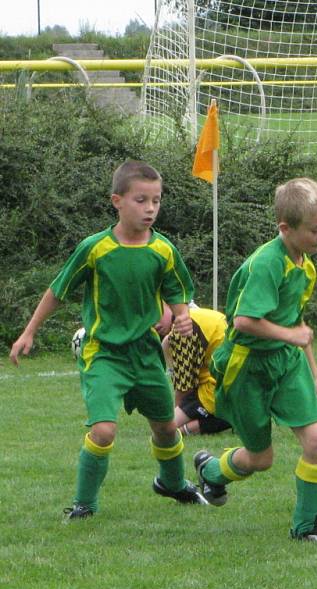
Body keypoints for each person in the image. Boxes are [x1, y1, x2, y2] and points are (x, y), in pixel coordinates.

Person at [9, 160, 207, 519]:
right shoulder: (95, 248)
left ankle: (173, 484)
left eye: (156, 201)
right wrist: (29, 331)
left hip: (146, 354)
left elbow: (177, 288)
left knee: (165, 427)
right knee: (103, 431)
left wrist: (181, 316)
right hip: (103, 354)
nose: (150, 209)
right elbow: (58, 290)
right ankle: (84, 505)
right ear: (117, 201)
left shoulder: (163, 250)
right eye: (141, 200)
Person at [193, 178, 317, 543]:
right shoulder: (267, 264)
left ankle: (306, 528)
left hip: (286, 362)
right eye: (316, 230)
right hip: (246, 366)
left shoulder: (305, 266)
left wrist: (314, 376)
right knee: (260, 459)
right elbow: (245, 321)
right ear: (285, 227)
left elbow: (297, 324)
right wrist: (291, 337)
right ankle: (213, 470)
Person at [162, 305, 232, 436]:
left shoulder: (182, 329)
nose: (155, 325)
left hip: (218, 388)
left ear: (168, 305)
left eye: (157, 315)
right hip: (237, 386)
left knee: (167, 428)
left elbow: (184, 388)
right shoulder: (195, 316)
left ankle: (186, 430)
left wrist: (177, 412)